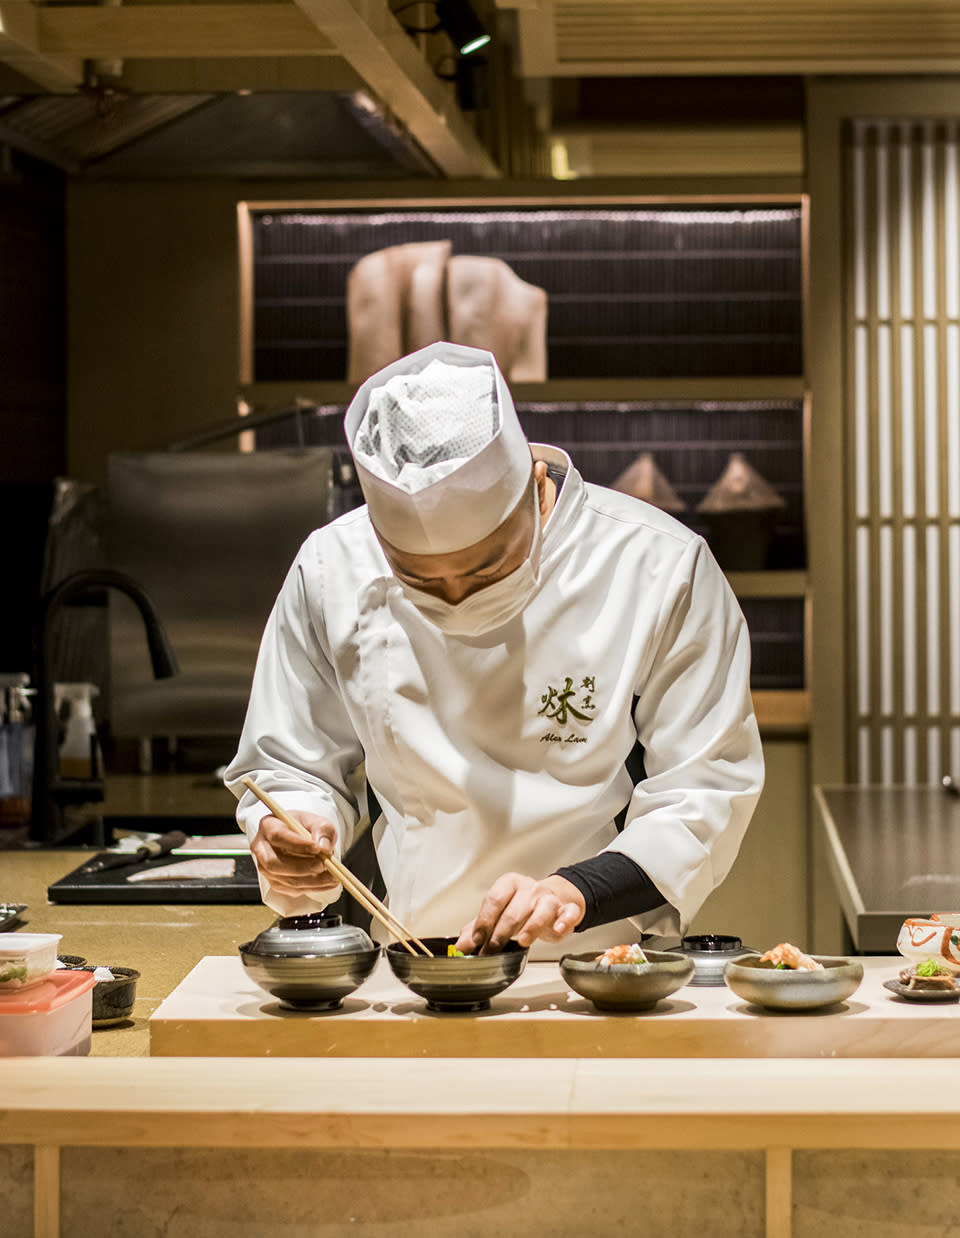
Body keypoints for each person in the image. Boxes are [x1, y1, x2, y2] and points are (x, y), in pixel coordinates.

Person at [225, 341, 764, 958]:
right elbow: (291, 762)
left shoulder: (658, 564)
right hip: (412, 962)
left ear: (534, 486)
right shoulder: (332, 566)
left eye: (485, 569)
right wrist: (294, 825)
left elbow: (706, 786)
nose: (455, 599)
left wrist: (578, 890)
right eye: (421, 581)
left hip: (598, 963)